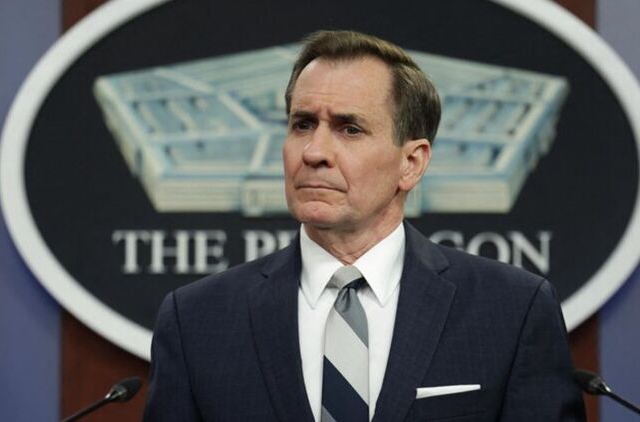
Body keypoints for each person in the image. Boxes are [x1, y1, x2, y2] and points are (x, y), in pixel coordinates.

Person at [144, 30, 586, 421]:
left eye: (349, 129)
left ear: (411, 163)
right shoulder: (196, 320)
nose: (314, 152)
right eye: (302, 125)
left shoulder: (511, 311)